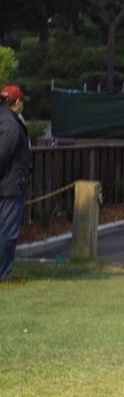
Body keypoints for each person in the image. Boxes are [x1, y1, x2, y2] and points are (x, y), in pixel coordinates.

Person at [0, 85, 32, 283]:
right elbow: (3, 155)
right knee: (7, 231)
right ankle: (3, 273)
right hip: (10, 186)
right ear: (17, 102)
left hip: (6, 184)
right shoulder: (11, 125)